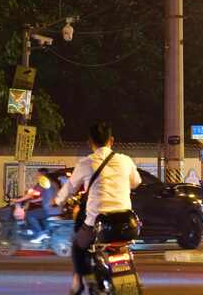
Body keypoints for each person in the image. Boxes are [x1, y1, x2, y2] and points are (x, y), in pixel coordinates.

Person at [52, 122, 141, 295]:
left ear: (90, 142)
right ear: (111, 140)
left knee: (78, 245)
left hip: (99, 224)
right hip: (128, 225)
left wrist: (57, 201)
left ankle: (80, 283)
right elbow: (136, 182)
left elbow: (69, 188)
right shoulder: (125, 160)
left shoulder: (86, 163)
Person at [12, 168, 54, 243]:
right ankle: (37, 231)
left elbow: (32, 193)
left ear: (41, 174)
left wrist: (18, 200)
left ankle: (39, 233)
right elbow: (41, 196)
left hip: (46, 208)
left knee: (29, 215)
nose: (36, 176)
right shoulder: (47, 182)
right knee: (34, 213)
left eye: (38, 174)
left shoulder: (43, 181)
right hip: (49, 207)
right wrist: (33, 200)